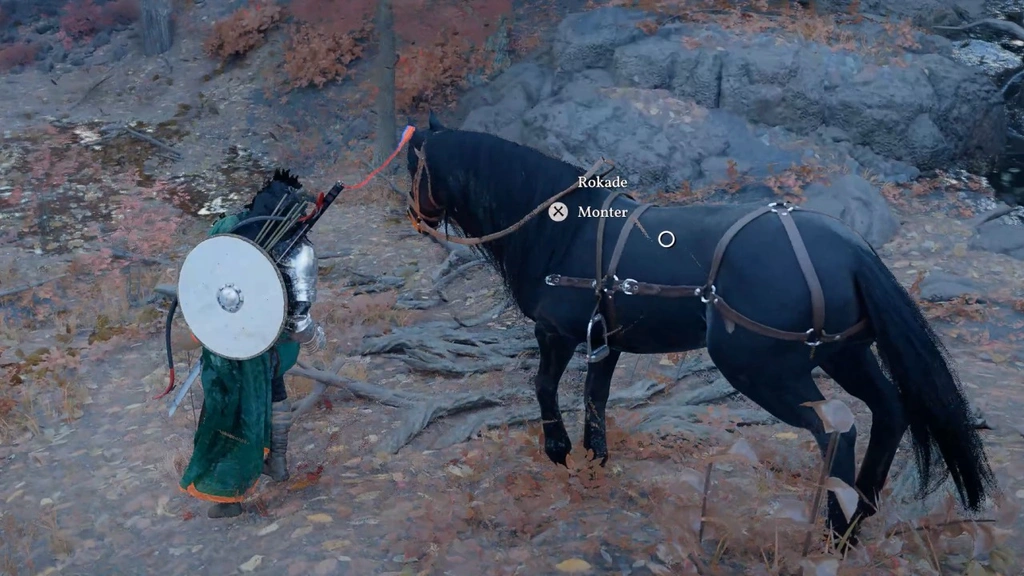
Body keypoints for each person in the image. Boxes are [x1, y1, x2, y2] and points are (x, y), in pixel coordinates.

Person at [170, 169, 326, 518]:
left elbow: (207, 282)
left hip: (224, 345)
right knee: (272, 392)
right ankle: (278, 463)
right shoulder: (297, 248)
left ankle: (230, 497)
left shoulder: (227, 227)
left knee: (226, 408)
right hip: (264, 344)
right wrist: (317, 338)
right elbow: (299, 323)